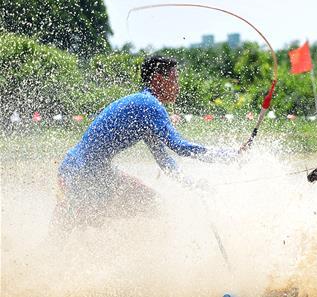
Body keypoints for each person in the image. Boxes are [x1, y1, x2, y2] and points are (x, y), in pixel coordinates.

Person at [53, 55, 235, 228]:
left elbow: (166, 162)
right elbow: (180, 146)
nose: (178, 87)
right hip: (84, 174)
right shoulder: (149, 105)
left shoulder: (144, 106)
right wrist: (229, 156)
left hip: (85, 170)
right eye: (174, 80)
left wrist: (192, 184)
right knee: (150, 205)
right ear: (157, 80)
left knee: (150, 205)